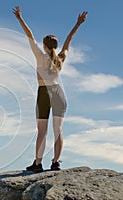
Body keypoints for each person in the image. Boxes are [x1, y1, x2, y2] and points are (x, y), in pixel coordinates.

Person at [13, 6, 88, 172]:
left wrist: (20, 18)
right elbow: (69, 41)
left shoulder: (40, 56)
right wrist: (78, 24)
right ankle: (55, 162)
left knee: (42, 131)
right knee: (58, 130)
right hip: (58, 93)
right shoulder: (61, 58)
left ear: (45, 46)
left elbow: (29, 35)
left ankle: (38, 164)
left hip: (43, 93)